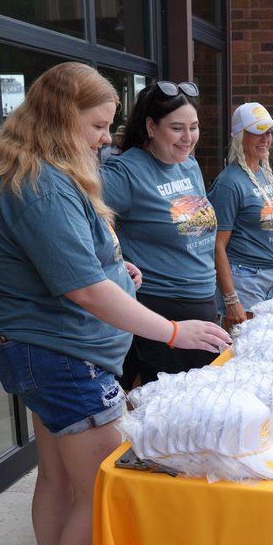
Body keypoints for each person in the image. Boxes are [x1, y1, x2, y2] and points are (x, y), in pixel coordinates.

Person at [0, 62, 230, 545]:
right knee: (104, 492)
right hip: (64, 357)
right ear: (64, 119)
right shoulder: (41, 182)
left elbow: (77, 265)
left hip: (41, 352)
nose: (104, 138)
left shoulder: (28, 172)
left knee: (60, 481)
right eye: (96, 125)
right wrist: (171, 328)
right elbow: (82, 288)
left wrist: (120, 269)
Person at [101, 80, 220, 387]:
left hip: (203, 302)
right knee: (170, 413)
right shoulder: (125, 172)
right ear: (151, 127)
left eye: (193, 127)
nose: (188, 138)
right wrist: (111, 266)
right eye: (177, 128)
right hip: (159, 310)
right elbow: (76, 217)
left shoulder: (189, 165)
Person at [209, 102, 273, 330]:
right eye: (257, 132)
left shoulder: (265, 174)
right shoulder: (229, 182)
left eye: (268, 132)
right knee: (244, 352)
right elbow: (217, 246)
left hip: (272, 278)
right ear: (239, 136)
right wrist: (231, 300)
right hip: (245, 281)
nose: (265, 138)